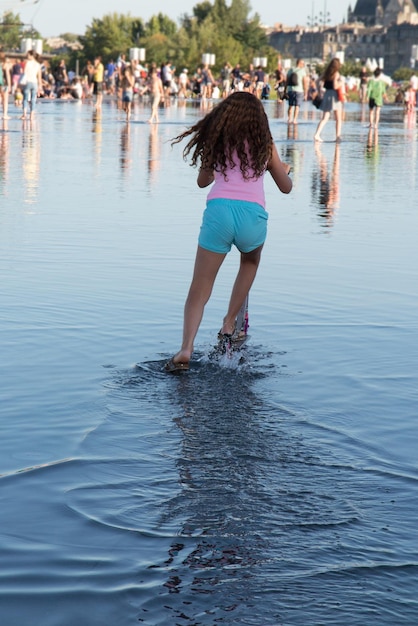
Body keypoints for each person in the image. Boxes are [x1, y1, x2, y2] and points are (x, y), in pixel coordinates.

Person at [164, 91, 292, 372]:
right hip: (252, 216)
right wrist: (282, 168)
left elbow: (202, 181)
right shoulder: (264, 145)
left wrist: (214, 168)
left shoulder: (218, 141)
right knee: (250, 261)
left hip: (219, 213)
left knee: (199, 288)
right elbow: (286, 187)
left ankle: (186, 348)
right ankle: (229, 322)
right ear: (259, 120)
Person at [314, 57, 344, 142]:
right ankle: (337, 136)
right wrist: (341, 83)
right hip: (334, 95)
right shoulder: (336, 74)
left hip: (327, 94)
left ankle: (317, 134)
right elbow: (335, 86)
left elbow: (317, 81)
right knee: (338, 118)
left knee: (325, 117)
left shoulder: (326, 73)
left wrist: (319, 91)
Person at [21, 50, 43, 121]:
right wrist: (40, 87)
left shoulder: (27, 63)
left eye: (28, 55)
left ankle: (24, 114)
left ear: (31, 55)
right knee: (33, 99)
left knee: (25, 98)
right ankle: (31, 115)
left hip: (28, 81)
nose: (27, 56)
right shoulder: (38, 64)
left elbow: (24, 72)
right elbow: (39, 77)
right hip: (35, 83)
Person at [286, 58, 308, 124]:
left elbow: (287, 81)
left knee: (290, 105)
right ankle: (295, 120)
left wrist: (285, 90)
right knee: (297, 106)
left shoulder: (290, 70)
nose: (303, 65)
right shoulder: (302, 71)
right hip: (299, 90)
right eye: (303, 64)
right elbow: (304, 82)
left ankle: (289, 119)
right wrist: (306, 92)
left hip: (290, 90)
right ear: (300, 63)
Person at [0, 53, 12, 119]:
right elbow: (7, 75)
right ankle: (5, 115)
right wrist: (9, 85)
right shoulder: (5, 64)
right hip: (4, 83)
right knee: (5, 99)